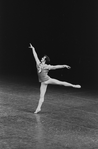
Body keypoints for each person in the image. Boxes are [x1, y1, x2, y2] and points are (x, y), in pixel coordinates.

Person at [29, 43, 81, 114]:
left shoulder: (47, 66)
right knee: (41, 96)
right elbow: (35, 56)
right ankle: (38, 108)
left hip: (48, 80)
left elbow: (56, 67)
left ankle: (74, 85)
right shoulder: (38, 64)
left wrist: (64, 66)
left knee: (61, 83)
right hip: (42, 82)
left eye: (43, 58)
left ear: (45, 60)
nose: (41, 58)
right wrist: (33, 48)